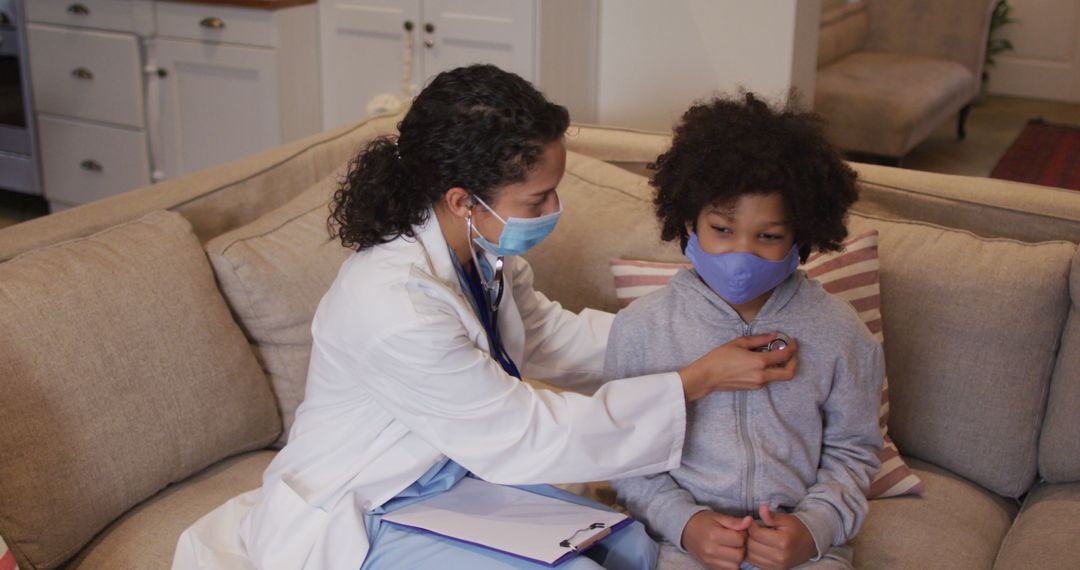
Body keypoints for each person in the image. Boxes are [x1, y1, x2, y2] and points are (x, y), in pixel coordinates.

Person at [171, 66, 799, 570]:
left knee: (629, 544)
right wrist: (694, 382)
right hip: (368, 505)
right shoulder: (393, 306)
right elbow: (521, 434)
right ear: (460, 200)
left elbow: (553, 337)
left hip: (447, 477)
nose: (556, 207)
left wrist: (693, 338)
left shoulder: (480, 253)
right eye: (538, 198)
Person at [605, 93, 884, 570]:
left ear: (802, 236)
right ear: (690, 223)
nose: (742, 253)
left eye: (769, 236)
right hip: (682, 546)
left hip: (803, 550)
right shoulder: (642, 328)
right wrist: (686, 524)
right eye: (723, 229)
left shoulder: (840, 331)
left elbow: (854, 452)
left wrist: (813, 529)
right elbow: (626, 457)